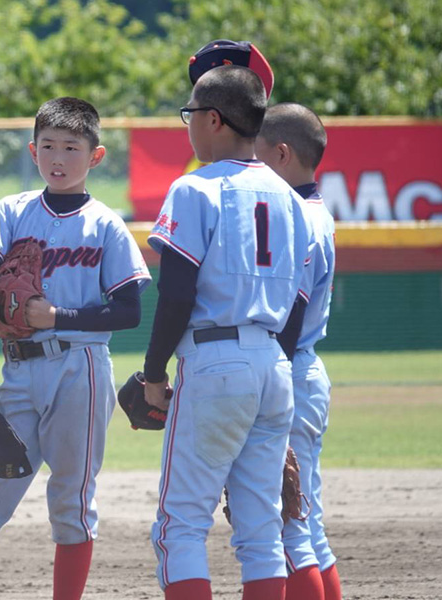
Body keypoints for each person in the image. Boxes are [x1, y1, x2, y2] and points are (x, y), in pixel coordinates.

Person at [0, 97, 151, 600]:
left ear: (95, 156)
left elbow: (129, 310)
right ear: (32, 150)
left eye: (71, 147)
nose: (58, 158)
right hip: (17, 372)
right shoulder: (13, 210)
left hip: (79, 366)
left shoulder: (105, 224)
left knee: (71, 500)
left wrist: (58, 316)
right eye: (48, 147)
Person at [141, 65, 314, 600]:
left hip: (214, 360)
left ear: (213, 119)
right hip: (274, 365)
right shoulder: (289, 197)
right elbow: (298, 305)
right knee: (262, 531)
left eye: (190, 114)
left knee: (180, 526)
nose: (188, 125)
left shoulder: (194, 187)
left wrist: (152, 372)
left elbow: (176, 293)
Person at [256, 103, 341, 600]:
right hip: (304, 371)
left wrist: (269, 380)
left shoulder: (299, 218)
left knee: (289, 529)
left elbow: (292, 310)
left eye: (258, 153)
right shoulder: (316, 211)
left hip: (289, 371)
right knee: (307, 527)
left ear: (282, 154)